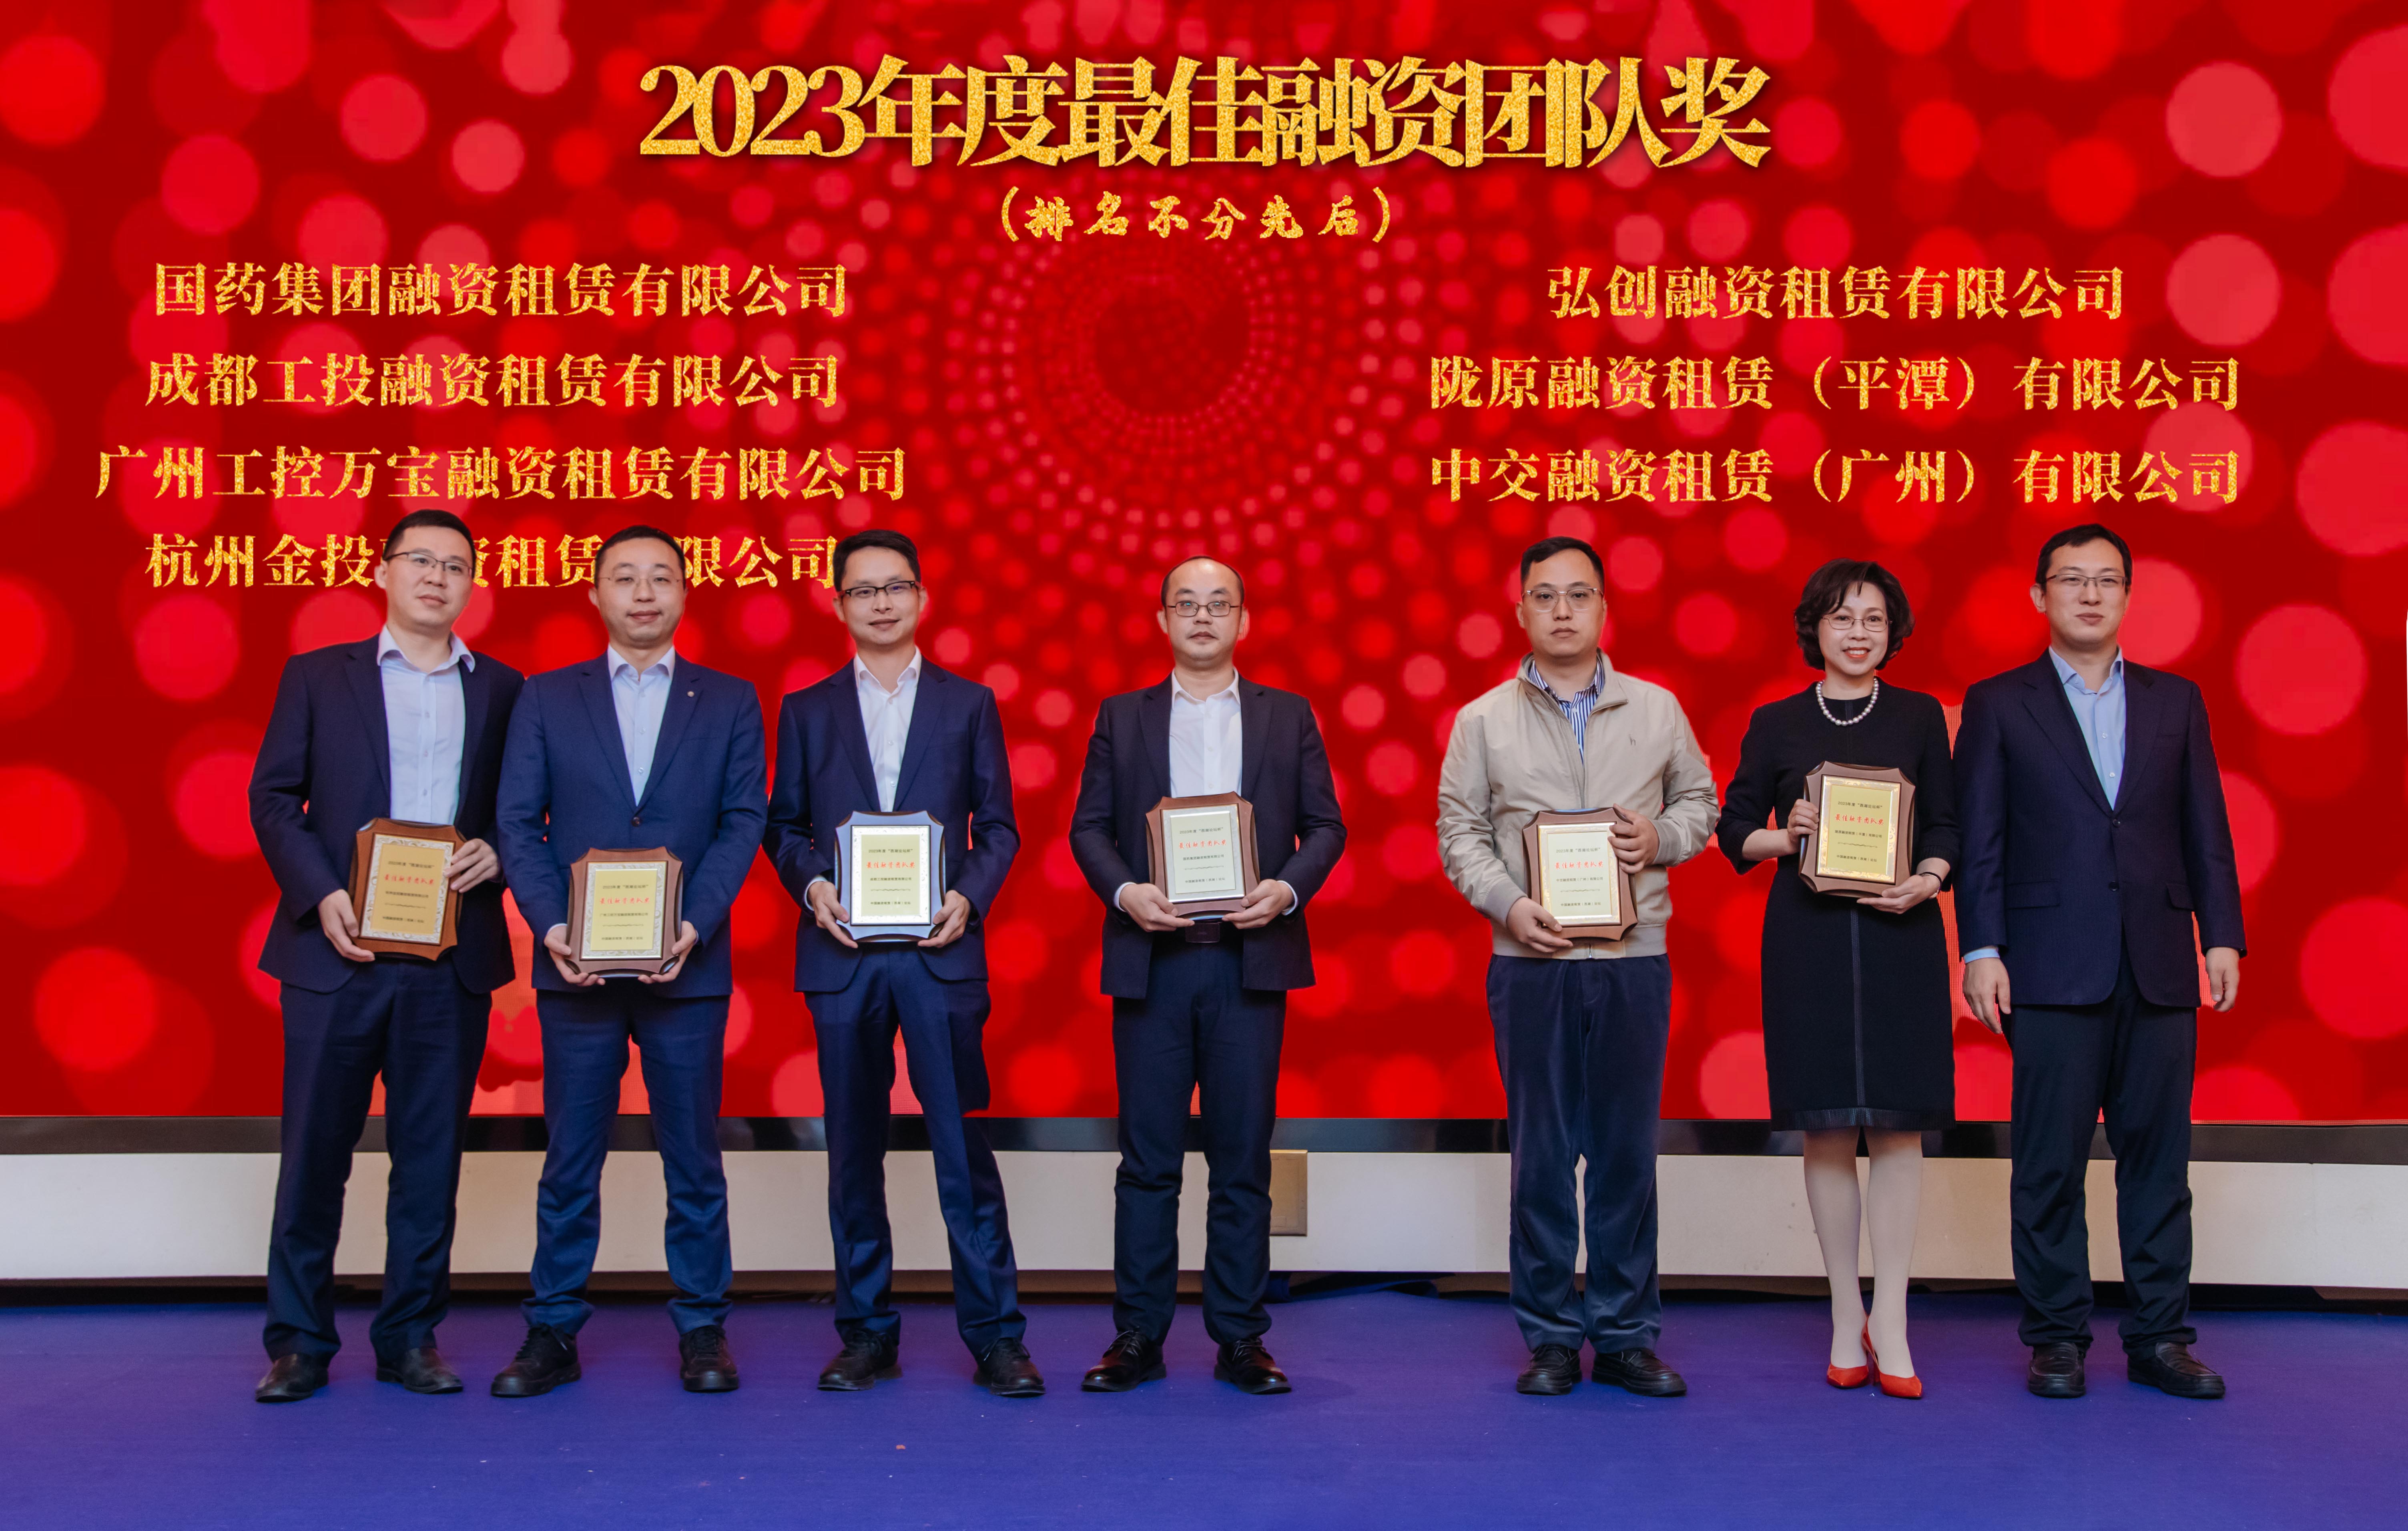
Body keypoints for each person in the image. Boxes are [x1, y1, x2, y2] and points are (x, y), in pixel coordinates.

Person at [1958, 523, 2244, 1402]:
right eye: (2071, 579)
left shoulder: (2176, 700)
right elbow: (1980, 837)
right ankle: (2055, 1338)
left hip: (2158, 962)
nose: (2089, 594)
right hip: (2047, 965)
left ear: (2127, 594)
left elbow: (2205, 827)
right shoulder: (1998, 702)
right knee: (2047, 1164)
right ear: (2038, 594)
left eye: (2106, 580)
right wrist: (1980, 948)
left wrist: (2221, 935)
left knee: (2158, 1164)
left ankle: (2160, 1338)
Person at [246, 509, 524, 1403]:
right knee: (314, 1154)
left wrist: (501, 852)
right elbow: (273, 798)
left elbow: (524, 808)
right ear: (383, 571)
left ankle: (410, 1336)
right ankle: (299, 1342)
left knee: (430, 1160)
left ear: (473, 583)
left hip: (450, 958)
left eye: (456, 565)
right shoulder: (318, 676)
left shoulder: (504, 689)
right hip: (336, 952)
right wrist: (321, 892)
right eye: (420, 561)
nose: (437, 577)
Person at [1436, 535, 1720, 1397]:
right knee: (1543, 1155)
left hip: (1634, 962)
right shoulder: (1482, 719)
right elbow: (1459, 831)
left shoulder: (1657, 708)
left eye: (1579, 595)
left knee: (1627, 1154)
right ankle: (1553, 1337)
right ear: (1520, 610)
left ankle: (1627, 1336)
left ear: (1604, 608)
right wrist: (1506, 903)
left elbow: (1700, 802)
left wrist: (1659, 838)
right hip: (1531, 963)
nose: (1562, 610)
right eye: (1545, 595)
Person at [489, 525, 767, 1397]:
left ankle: (703, 1327)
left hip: (688, 966)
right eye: (625, 578)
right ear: (595, 594)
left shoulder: (730, 700)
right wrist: (550, 924)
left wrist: (695, 921)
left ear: (685, 592)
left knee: (695, 1159)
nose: (643, 593)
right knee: (571, 1157)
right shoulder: (545, 697)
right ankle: (552, 1327)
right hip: (574, 968)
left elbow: (742, 822)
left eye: (660, 578)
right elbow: (517, 822)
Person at [762, 529, 1040, 1398]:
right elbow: (783, 827)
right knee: (852, 1153)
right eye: (863, 590)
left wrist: (969, 897)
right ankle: (865, 1333)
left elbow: (1000, 828)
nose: (880, 603)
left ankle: (996, 1337)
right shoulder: (806, 709)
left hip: (940, 956)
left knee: (963, 1150)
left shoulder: (970, 705)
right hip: (843, 958)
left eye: (895, 587)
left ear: (921, 598)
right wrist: (813, 887)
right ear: (837, 603)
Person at [1067, 557, 1347, 1396]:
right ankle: (1137, 1337)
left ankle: (1241, 1338)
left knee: (1242, 1161)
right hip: (1152, 960)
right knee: (1146, 1162)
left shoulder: (1286, 715)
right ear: (1162, 621)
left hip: (1248, 962)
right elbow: (1088, 829)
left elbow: (1326, 828)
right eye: (1185, 604)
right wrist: (1127, 893)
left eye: (1218, 603)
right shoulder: (1121, 717)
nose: (1201, 616)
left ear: (1243, 621)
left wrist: (1286, 890)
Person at [1714, 560, 1957, 1399]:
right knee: (1823, 1131)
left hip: (1902, 939)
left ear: (1894, 632)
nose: (1858, 633)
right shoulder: (1776, 722)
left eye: (1874, 619)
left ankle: (1891, 1317)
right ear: (1813, 628)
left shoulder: (1920, 716)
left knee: (1898, 1131)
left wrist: (1928, 878)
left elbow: (1948, 824)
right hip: (1807, 946)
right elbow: (1732, 829)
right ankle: (1843, 1312)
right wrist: (1787, 837)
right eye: (1842, 617)